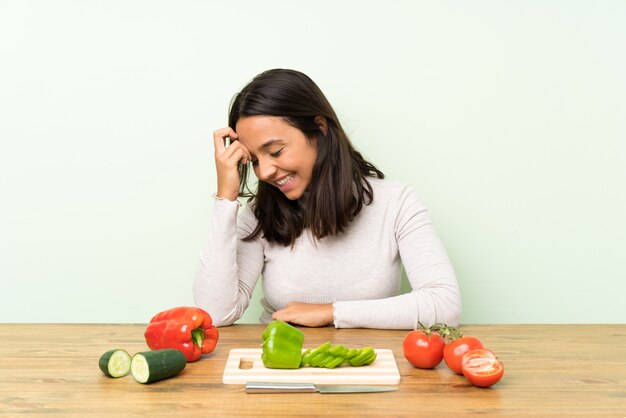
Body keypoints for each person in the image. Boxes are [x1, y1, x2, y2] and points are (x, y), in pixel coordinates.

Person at [193, 69, 461, 329]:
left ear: (319, 129)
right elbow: (214, 313)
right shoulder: (259, 214)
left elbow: (444, 305)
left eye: (275, 151)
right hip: (279, 366)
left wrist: (331, 313)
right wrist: (225, 198)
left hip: (368, 365)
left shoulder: (397, 203)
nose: (263, 172)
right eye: (253, 161)